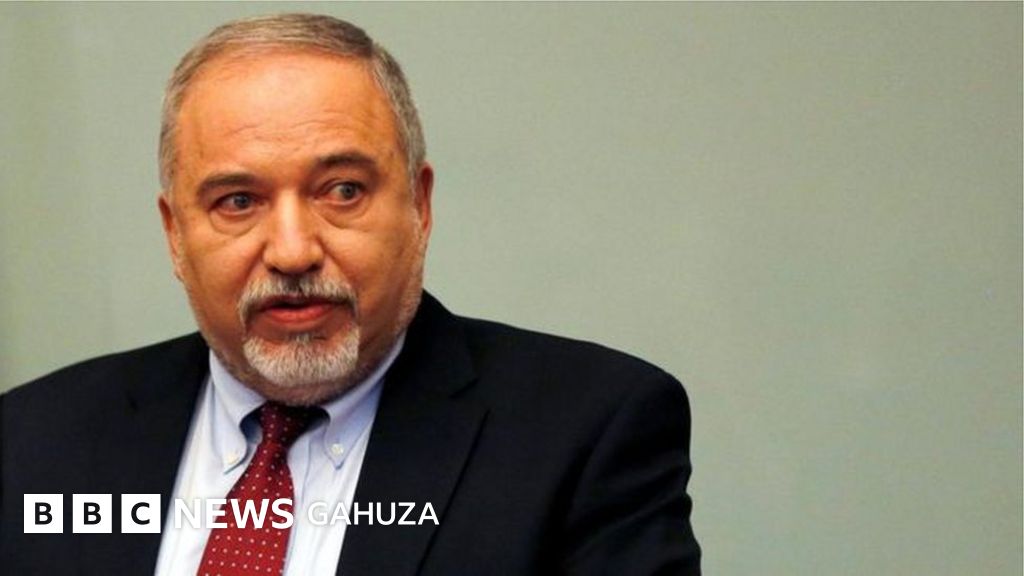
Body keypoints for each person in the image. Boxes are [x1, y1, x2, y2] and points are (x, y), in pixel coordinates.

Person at [0, 13, 701, 575]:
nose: (292, 251)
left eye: (342, 191)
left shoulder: (584, 431)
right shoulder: (30, 443)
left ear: (419, 206)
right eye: (237, 201)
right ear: (175, 235)